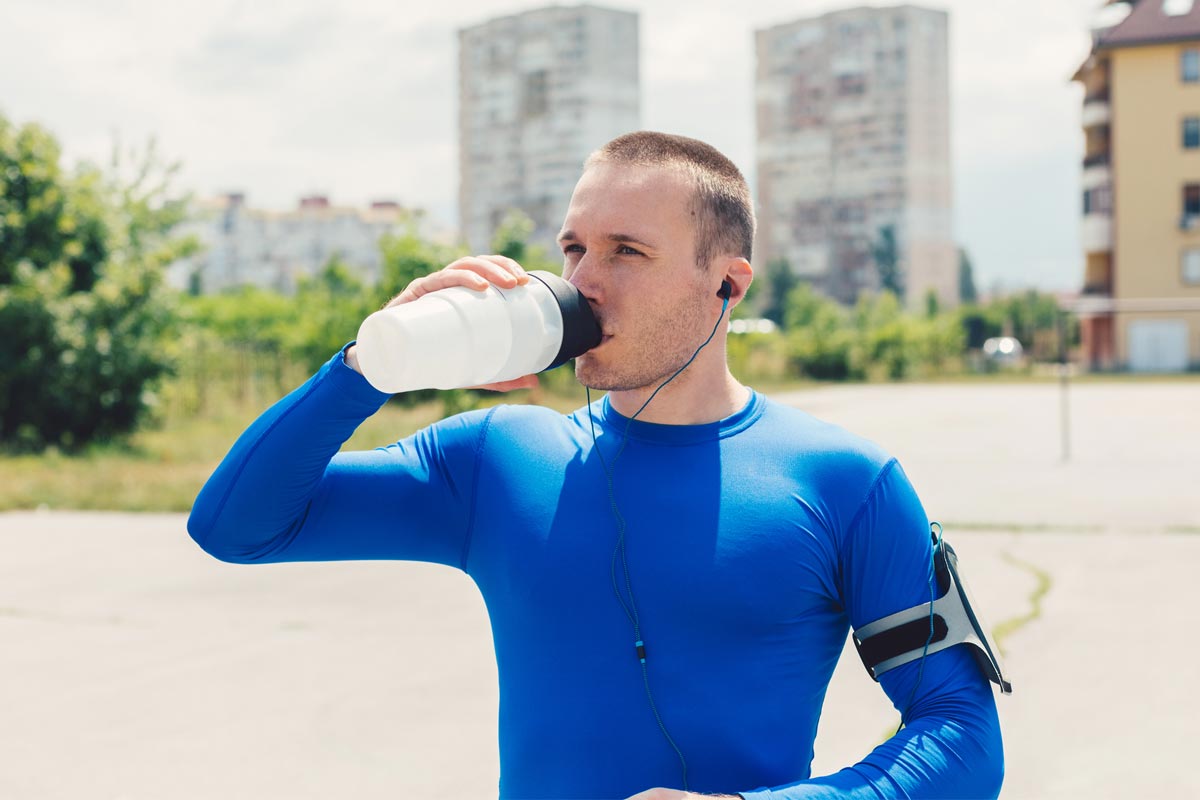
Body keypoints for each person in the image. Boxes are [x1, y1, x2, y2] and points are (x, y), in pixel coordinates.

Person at [188, 131, 1004, 799]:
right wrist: (369, 362)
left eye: (625, 251)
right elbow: (236, 527)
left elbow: (960, 734)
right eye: (574, 247)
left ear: (726, 283)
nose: (581, 282)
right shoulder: (494, 458)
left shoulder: (845, 482)